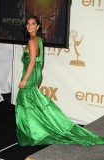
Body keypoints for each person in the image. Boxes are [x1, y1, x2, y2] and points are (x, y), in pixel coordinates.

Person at [15, 16, 104, 160]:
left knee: (23, 105)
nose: (30, 26)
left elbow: (31, 62)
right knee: (32, 104)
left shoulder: (32, 41)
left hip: (29, 76)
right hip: (36, 75)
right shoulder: (38, 40)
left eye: (33, 24)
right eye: (28, 24)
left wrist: (24, 80)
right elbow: (37, 62)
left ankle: (34, 133)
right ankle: (35, 131)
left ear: (37, 26)